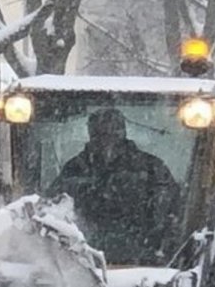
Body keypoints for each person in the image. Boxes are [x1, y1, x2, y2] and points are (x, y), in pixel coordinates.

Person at [47, 108, 182, 265]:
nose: (106, 139)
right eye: (100, 133)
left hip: (144, 264)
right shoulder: (74, 169)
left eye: (112, 132)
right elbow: (51, 210)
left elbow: (172, 213)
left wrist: (160, 250)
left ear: (122, 132)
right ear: (91, 135)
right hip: (80, 262)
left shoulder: (152, 169)